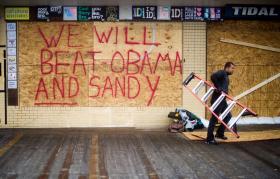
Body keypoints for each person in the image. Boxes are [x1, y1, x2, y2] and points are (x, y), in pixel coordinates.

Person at [206, 62, 237, 145]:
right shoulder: (222, 72)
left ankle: (219, 133)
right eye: (232, 68)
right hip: (217, 99)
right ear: (227, 67)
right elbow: (213, 76)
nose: (233, 70)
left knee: (228, 116)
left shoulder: (226, 76)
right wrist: (218, 87)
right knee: (214, 119)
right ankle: (209, 139)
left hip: (222, 100)